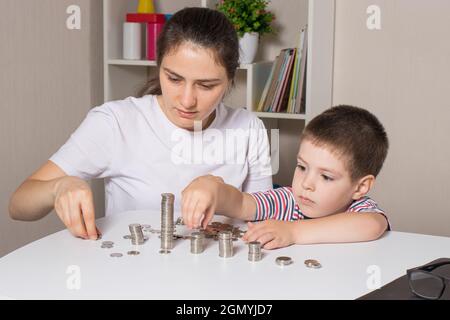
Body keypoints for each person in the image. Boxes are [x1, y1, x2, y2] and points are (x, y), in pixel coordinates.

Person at [8, 7, 272, 240]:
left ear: (229, 80)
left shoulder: (249, 128)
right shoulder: (115, 123)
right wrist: (58, 187)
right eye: (174, 79)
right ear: (158, 67)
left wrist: (222, 193)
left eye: (206, 85)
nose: (187, 100)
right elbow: (19, 205)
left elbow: (266, 218)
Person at [181, 105, 390, 249]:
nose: (306, 184)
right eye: (302, 167)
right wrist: (213, 189)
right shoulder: (287, 201)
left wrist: (293, 232)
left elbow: (373, 225)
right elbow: (242, 203)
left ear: (361, 187)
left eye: (326, 177)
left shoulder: (360, 210)